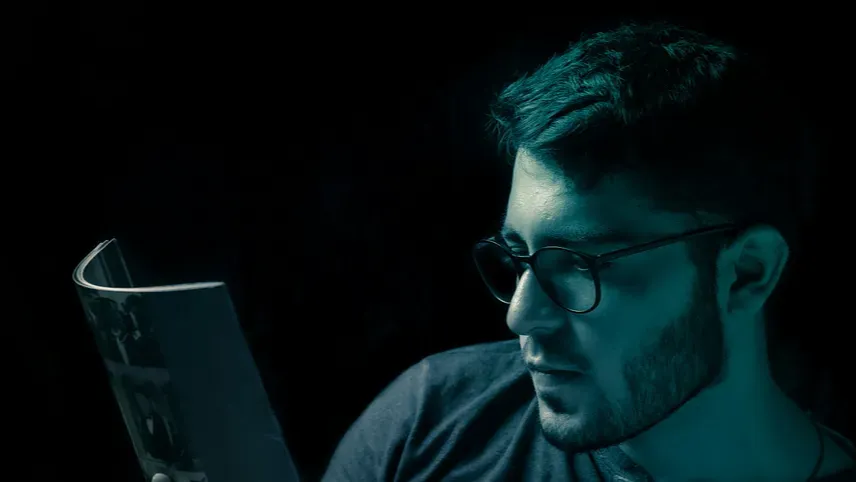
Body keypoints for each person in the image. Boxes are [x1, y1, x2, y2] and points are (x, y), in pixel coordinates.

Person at [153, 22, 854, 482]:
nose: (521, 316)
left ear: (746, 275)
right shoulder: (432, 422)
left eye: (580, 265)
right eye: (517, 257)